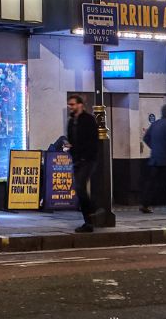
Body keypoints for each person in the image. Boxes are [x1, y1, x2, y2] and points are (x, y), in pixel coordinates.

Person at [66, 94, 100, 233]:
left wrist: (85, 155)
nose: (71, 107)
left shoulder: (89, 120)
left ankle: (91, 213)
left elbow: (93, 140)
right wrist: (70, 148)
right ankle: (89, 219)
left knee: (80, 186)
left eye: (73, 104)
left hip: (87, 159)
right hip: (77, 159)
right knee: (79, 189)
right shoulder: (71, 121)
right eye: (70, 105)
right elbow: (72, 140)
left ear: (80, 105)